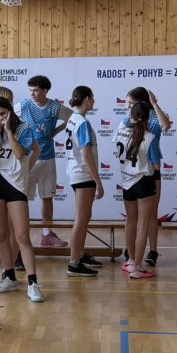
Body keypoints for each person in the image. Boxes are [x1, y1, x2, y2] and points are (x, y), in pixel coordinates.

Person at [0, 95, 44, 301]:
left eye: (3, 114)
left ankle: (33, 283)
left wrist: (8, 131)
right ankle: (8, 276)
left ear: (10, 112)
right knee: (1, 234)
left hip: (16, 185)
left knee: (22, 236)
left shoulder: (24, 128)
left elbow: (19, 154)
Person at [17, 75, 70, 248]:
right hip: (28, 159)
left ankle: (47, 234)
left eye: (36, 90)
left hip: (48, 157)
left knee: (47, 197)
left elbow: (72, 117)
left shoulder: (55, 107)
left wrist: (55, 131)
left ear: (45, 91)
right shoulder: (23, 106)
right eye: (30, 90)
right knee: (21, 198)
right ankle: (20, 235)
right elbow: (8, 119)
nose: (32, 93)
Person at [127, 86, 171, 272]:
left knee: (151, 213)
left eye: (131, 103)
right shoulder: (129, 117)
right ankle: (132, 253)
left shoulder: (154, 116)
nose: (128, 106)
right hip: (134, 170)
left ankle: (152, 251)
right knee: (134, 216)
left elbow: (166, 125)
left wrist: (154, 104)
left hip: (152, 168)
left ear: (141, 102)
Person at [114, 93, 157, 279]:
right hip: (143, 181)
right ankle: (138, 268)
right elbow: (157, 166)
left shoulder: (121, 131)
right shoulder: (149, 137)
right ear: (148, 119)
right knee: (143, 224)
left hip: (127, 182)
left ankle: (131, 261)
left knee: (130, 221)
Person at [62, 87, 103, 276]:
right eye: (92, 98)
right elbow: (86, 154)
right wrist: (98, 180)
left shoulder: (73, 118)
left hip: (75, 171)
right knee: (81, 218)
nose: (93, 101)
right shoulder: (82, 122)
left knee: (84, 217)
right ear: (87, 99)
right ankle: (74, 263)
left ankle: (80, 254)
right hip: (82, 174)